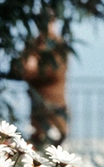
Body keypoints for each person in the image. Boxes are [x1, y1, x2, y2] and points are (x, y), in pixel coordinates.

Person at [19, 21, 70, 150]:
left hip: (55, 107)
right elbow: (21, 69)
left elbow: (55, 71)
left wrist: (33, 66)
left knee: (53, 145)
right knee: (39, 144)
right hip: (37, 107)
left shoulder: (57, 45)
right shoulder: (34, 44)